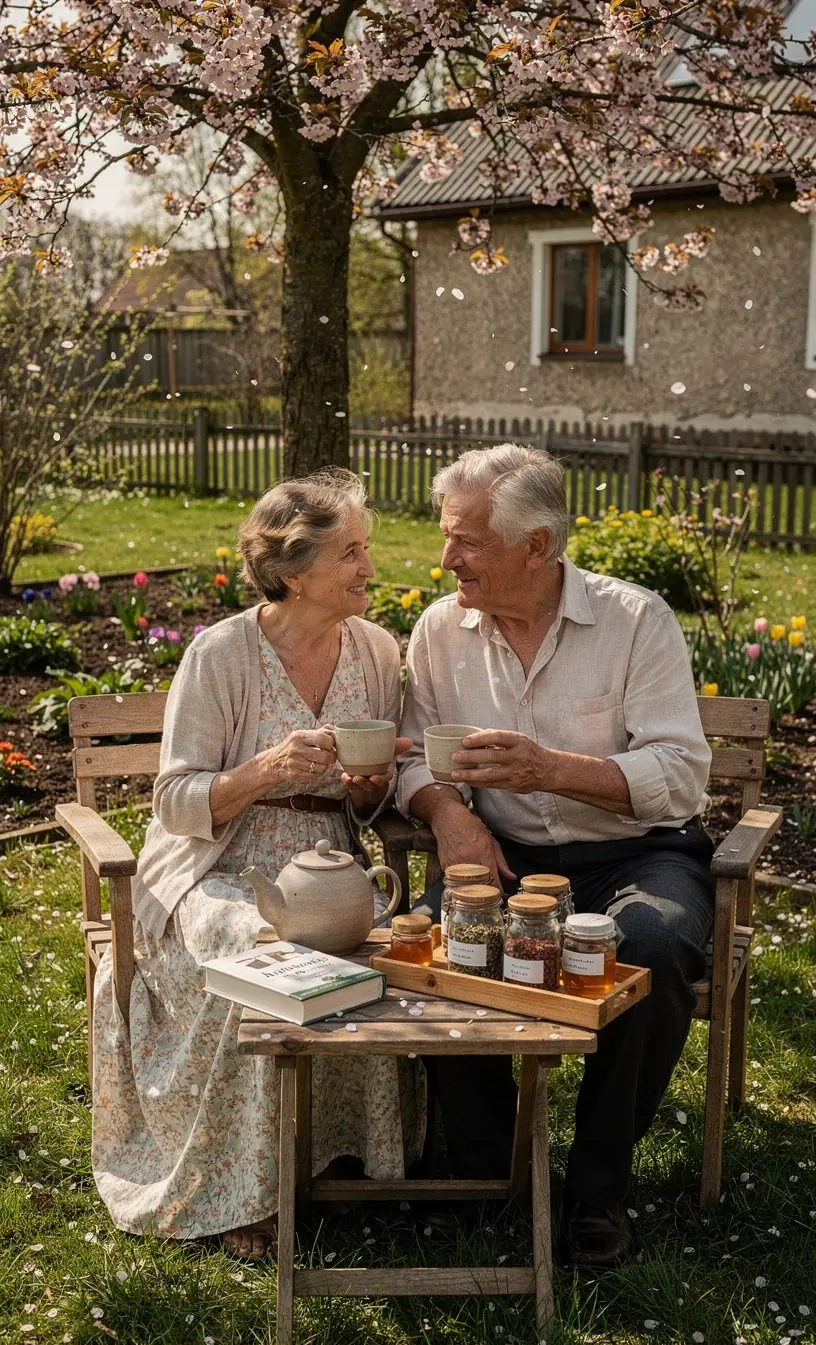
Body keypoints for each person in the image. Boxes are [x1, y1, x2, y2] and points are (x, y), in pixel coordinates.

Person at [92, 469, 423, 1260]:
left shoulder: (377, 651)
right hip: (217, 866)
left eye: (365, 550)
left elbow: (370, 804)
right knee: (257, 954)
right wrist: (266, 769)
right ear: (292, 570)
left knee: (377, 952)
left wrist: (372, 787)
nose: (368, 569)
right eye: (350, 554)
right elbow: (173, 800)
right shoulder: (221, 655)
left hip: (326, 862)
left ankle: (340, 1155)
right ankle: (240, 1193)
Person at [397, 444, 713, 1270]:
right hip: (498, 858)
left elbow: (680, 777)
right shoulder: (440, 630)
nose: (446, 558)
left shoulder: (634, 620)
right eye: (446, 536)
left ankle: (597, 1187)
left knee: (649, 945)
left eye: (467, 541)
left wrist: (551, 769)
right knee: (432, 948)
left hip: (634, 855)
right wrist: (446, 815)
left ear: (537, 546)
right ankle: (489, 1167)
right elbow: (408, 758)